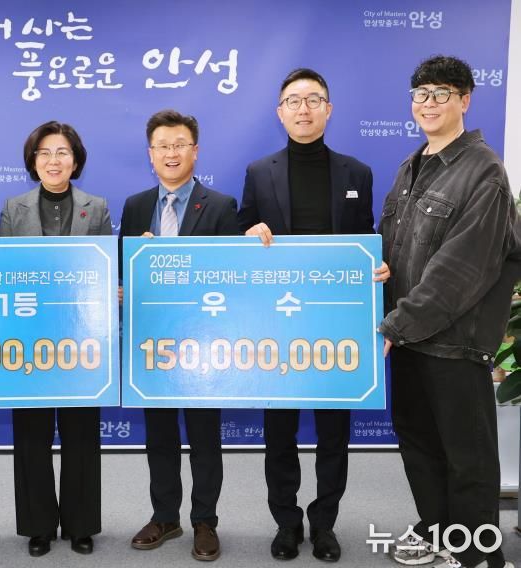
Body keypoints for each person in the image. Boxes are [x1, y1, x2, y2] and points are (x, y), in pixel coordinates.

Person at [238, 68, 389, 563]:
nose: (303, 109)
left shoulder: (356, 173)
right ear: (280, 112)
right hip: (276, 323)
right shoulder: (259, 172)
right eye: (293, 101)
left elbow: (366, 242)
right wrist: (248, 232)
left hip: (335, 323)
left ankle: (324, 524)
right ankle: (286, 522)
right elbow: (241, 232)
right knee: (278, 431)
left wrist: (378, 269)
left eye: (313, 99)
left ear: (328, 109)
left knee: (333, 432)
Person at [380, 55, 519, 568]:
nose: (429, 103)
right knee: (420, 445)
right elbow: (395, 247)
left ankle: (479, 555)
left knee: (467, 456)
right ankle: (439, 531)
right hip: (410, 339)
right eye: (421, 94)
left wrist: (397, 324)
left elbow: (461, 269)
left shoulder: (484, 172)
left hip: (454, 341)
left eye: (441, 93)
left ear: (465, 100)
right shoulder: (411, 166)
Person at [121, 109, 238, 562]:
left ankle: (205, 521)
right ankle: (165, 516)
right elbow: (125, 272)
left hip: (203, 341)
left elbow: (232, 274)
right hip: (152, 340)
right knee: (160, 435)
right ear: (151, 154)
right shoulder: (135, 206)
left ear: (195, 151)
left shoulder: (221, 206)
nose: (171, 153)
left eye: (180, 144)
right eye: (162, 146)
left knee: (205, 437)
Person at [0, 120, 111, 557]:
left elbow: (104, 270)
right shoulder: (14, 209)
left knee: (81, 434)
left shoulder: (96, 208)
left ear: (76, 161)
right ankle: (38, 526)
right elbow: (3, 273)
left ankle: (81, 526)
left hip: (81, 338)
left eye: (62, 152)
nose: (53, 160)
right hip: (29, 339)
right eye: (44, 153)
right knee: (32, 435)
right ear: (33, 161)